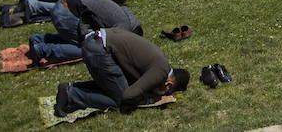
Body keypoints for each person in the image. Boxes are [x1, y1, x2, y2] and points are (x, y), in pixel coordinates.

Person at [53, 28, 188, 117]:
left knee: (115, 86)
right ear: (169, 84)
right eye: (167, 91)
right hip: (99, 50)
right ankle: (72, 94)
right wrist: (148, 100)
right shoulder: (160, 71)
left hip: (97, 42)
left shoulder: (160, 63)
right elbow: (128, 95)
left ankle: (71, 88)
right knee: (118, 100)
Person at [24, 0, 141, 66]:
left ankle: (39, 39)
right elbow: (107, 44)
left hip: (64, 5)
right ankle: (41, 50)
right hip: (65, 14)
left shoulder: (123, 13)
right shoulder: (123, 27)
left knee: (80, 39)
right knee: (88, 49)